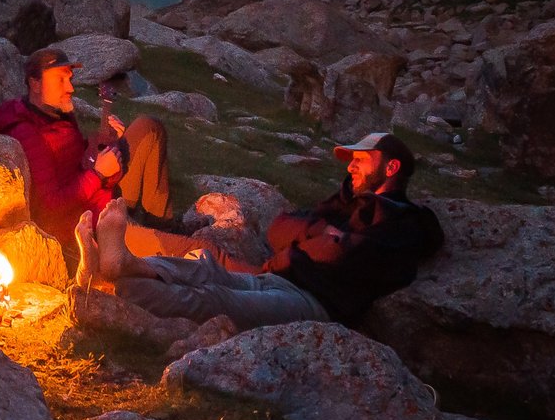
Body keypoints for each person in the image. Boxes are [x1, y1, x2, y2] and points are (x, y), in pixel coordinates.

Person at [77, 130, 443, 330]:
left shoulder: (404, 221)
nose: (352, 168)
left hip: (313, 304)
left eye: (362, 161)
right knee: (205, 265)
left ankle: (118, 290)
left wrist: (326, 241)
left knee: (215, 299)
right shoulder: (343, 204)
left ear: (391, 167)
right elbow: (278, 229)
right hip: (281, 278)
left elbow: (347, 255)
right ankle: (123, 265)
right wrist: (323, 232)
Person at [0, 47, 208, 264]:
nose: (70, 88)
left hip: (103, 190)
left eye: (70, 78)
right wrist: (97, 174)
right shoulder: (28, 133)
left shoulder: (55, 111)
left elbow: (75, 155)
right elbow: (50, 206)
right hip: (90, 221)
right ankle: (237, 277)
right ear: (35, 83)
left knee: (149, 127)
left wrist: (105, 141)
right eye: (60, 80)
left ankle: (161, 223)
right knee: (197, 251)